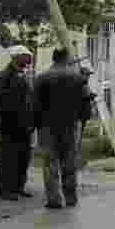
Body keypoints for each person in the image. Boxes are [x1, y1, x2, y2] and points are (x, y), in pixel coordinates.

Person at [32, 47, 88, 209]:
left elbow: (35, 104)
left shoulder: (41, 78)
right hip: (70, 124)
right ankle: (71, 197)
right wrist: (82, 119)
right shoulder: (77, 78)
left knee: (50, 162)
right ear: (66, 58)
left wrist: (36, 123)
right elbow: (85, 100)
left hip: (47, 126)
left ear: (53, 58)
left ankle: (54, 199)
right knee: (69, 161)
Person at [0, 45, 35, 200]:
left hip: (24, 126)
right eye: (26, 56)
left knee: (23, 157)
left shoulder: (22, 75)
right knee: (9, 158)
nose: (29, 60)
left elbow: (28, 99)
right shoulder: (3, 76)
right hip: (10, 125)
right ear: (17, 57)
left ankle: (18, 187)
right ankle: (5, 189)